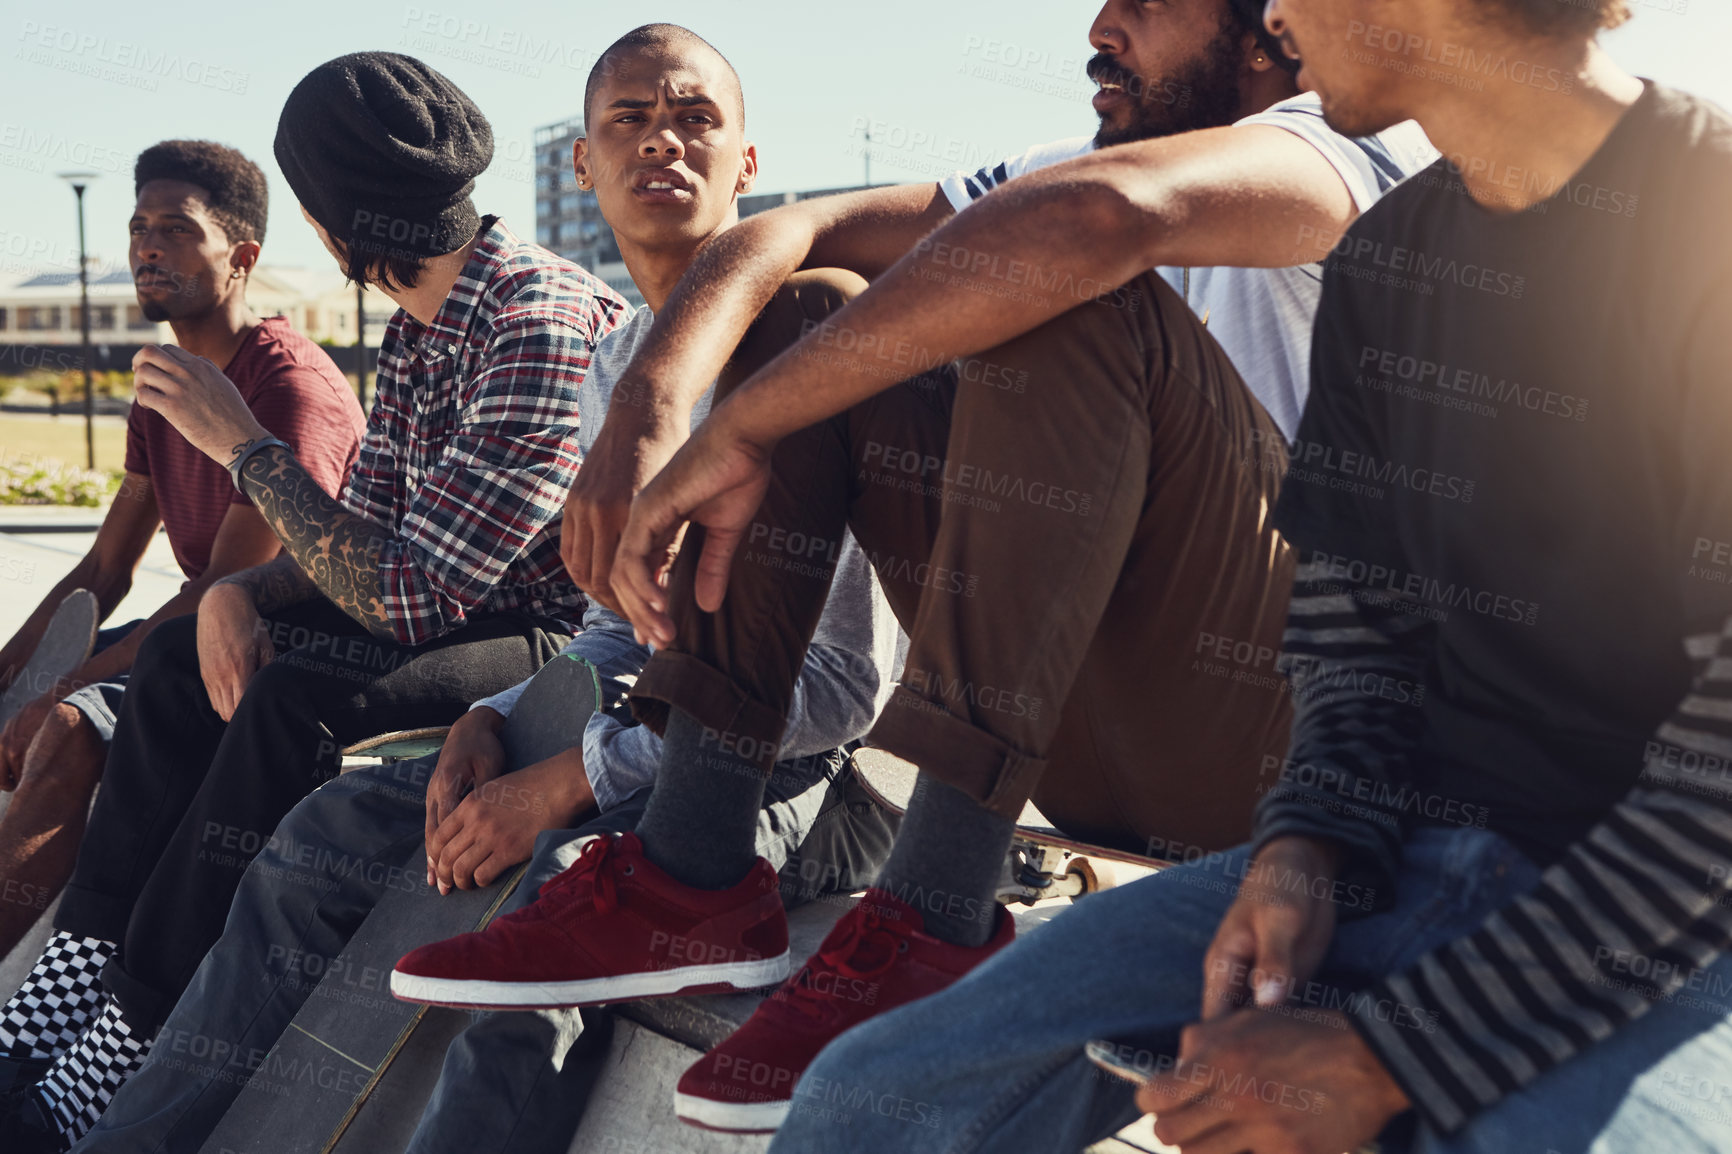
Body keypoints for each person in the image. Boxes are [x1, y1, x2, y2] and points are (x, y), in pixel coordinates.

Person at [395, 0, 1436, 1133]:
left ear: (1266, 33)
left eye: (1145, 3)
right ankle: (687, 870)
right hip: (1077, 727)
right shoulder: (1078, 169)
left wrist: (737, 430)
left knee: (1068, 284)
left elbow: (1095, 221)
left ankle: (935, 908)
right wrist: (647, 408)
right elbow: (777, 238)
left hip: (1289, 746)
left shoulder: (1334, 149)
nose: (1100, 26)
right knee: (808, 313)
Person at [769, 0, 1732, 1151]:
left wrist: (1395, 1053)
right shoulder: (1391, 253)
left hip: (1673, 928)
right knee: (866, 1100)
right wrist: (1306, 847)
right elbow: (1355, 626)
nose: (1271, 14)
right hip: (1408, 863)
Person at [75, 25, 901, 1154]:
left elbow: (842, 687)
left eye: (695, 118)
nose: (661, 141)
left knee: (556, 920)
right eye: (627, 121)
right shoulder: (626, 368)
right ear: (580, 167)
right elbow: (609, 631)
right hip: (605, 726)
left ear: (748, 161)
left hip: (777, 774)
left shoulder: (825, 343)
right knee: (320, 834)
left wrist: (569, 774)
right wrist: (493, 719)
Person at [0, 53, 628, 1151]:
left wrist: (241, 448)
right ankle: (58, 1001)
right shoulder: (426, 320)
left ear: (330, 227)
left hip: (550, 638)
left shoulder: (531, 320)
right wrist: (236, 591)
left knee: (296, 697)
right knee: (167, 661)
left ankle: (120, 1047)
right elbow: (364, 535)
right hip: (442, 595)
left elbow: (412, 592)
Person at [0, 141, 363, 965]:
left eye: (175, 228)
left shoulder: (288, 389)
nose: (146, 247)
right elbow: (105, 569)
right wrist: (8, 670)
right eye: (137, 228)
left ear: (241, 257)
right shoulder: (163, 382)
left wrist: (60, 688)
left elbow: (223, 589)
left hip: (272, 657)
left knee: (66, 723)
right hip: (182, 639)